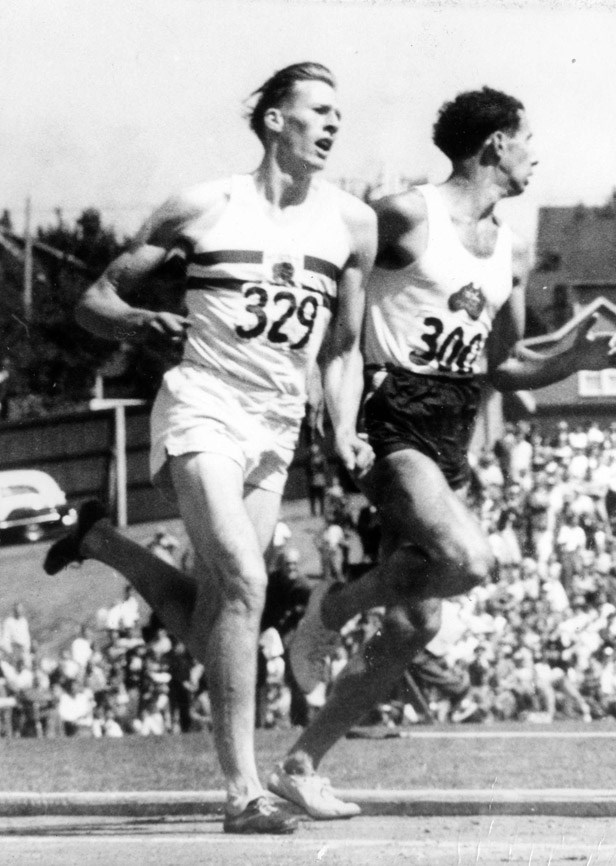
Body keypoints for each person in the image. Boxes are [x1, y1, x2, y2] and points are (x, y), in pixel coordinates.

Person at [43, 62, 375, 833]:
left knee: (218, 615)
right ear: (273, 122)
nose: (332, 125)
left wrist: (346, 424)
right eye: (318, 111)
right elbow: (95, 301)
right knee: (243, 579)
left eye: (339, 114)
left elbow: (344, 350)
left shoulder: (351, 224)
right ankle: (242, 795)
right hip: (203, 406)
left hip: (276, 423)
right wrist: (137, 324)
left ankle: (103, 541)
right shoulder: (203, 207)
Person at [276, 86, 616, 815]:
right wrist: (335, 415)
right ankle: (331, 607)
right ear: (495, 143)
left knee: (415, 623)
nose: (537, 154)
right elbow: (340, 318)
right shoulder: (406, 216)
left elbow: (506, 364)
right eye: (528, 138)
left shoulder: (512, 249)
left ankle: (302, 762)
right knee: (468, 560)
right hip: (395, 416)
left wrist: (576, 361)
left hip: (455, 426)